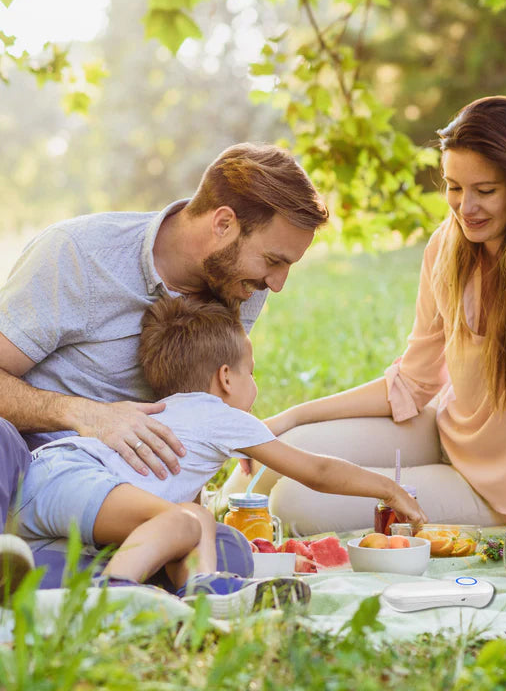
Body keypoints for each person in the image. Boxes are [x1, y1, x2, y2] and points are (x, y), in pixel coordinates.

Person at [221, 95, 506, 533]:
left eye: (485, 191)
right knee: (285, 450)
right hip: (445, 435)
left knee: (296, 504)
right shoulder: (448, 245)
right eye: (454, 186)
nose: (466, 208)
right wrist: (292, 417)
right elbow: (412, 382)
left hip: (504, 490)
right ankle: (202, 517)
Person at [0, 142, 328, 600]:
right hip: (33, 466)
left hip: (125, 493)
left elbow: (194, 410)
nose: (277, 283)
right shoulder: (78, 254)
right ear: (223, 223)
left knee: (224, 554)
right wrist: (86, 415)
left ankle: (57, 576)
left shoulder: (241, 287)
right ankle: (42, 561)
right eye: (273, 260)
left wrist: (187, 518)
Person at [11, 295, 425, 616]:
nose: (254, 383)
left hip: (52, 484)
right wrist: (387, 488)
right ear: (226, 377)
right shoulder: (220, 415)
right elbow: (315, 470)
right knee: (178, 520)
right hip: (71, 475)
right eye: (253, 371)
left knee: (197, 520)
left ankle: (204, 592)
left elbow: (181, 499)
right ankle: (116, 596)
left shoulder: (180, 411)